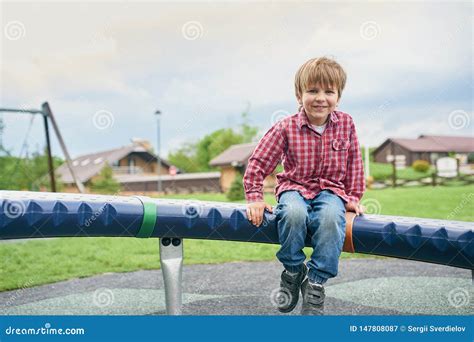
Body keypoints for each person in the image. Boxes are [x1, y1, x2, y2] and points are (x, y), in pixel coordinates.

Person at [243, 57, 365, 315]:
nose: (320, 98)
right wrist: (254, 197)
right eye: (312, 91)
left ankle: (316, 283)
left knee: (332, 217)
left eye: (328, 91)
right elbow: (259, 161)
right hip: (295, 187)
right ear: (300, 95)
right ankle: (293, 270)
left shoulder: (346, 124)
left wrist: (353, 197)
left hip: (331, 190)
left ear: (338, 97)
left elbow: (355, 161)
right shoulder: (285, 127)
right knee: (293, 213)